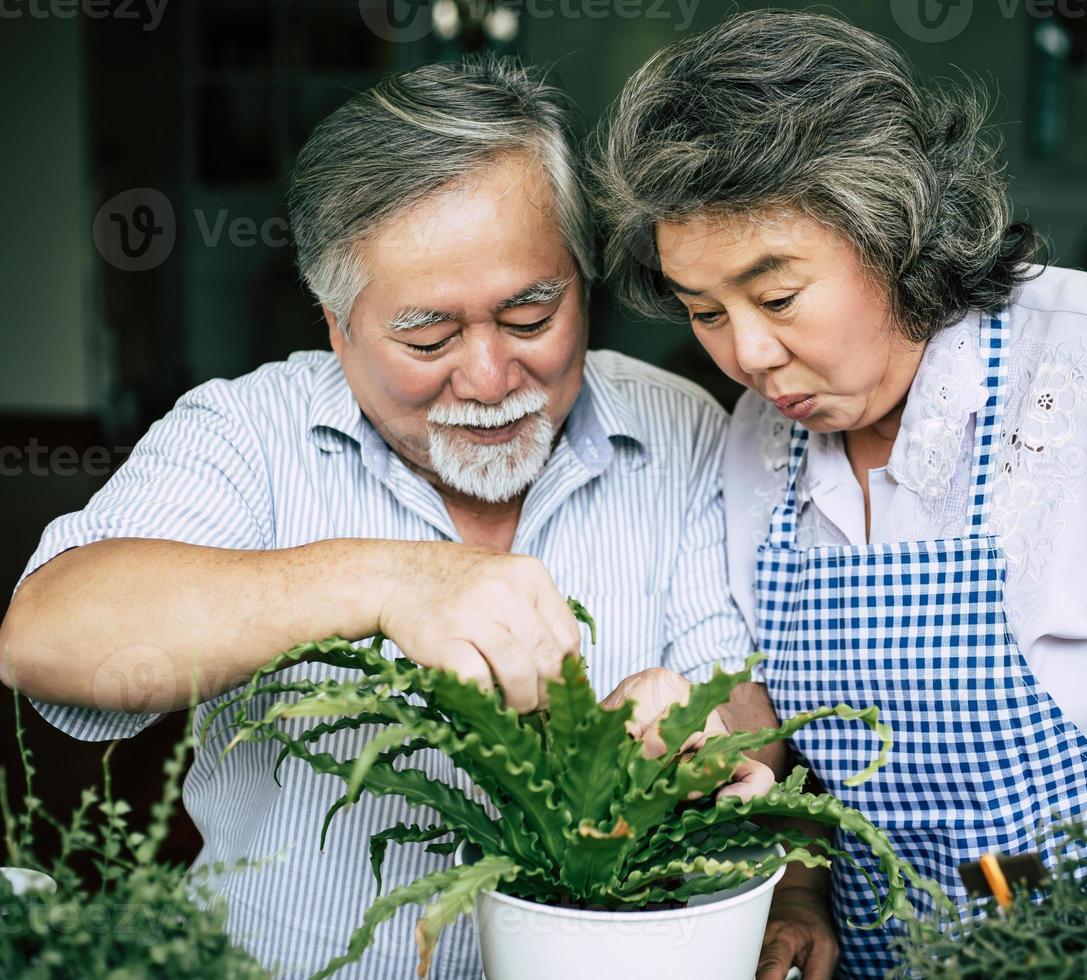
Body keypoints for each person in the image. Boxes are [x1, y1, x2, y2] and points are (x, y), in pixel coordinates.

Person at [594, 10, 1087, 979]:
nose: (745, 353)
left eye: (777, 296)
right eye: (704, 310)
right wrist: (792, 882)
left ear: (894, 231)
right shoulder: (762, 434)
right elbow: (779, 717)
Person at [0, 56, 774, 979]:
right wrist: (386, 579)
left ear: (582, 277)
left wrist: (693, 730)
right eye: (428, 338)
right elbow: (46, 631)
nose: (489, 379)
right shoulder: (248, 432)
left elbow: (737, 688)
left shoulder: (680, 425)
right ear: (336, 323)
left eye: (531, 315)